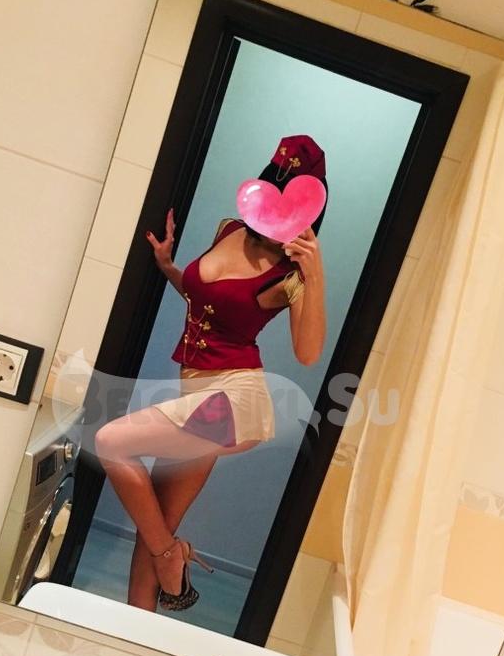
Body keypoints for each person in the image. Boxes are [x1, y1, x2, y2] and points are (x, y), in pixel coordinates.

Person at [94, 135, 328, 614]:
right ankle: (132, 630)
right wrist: (168, 267)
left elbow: (307, 353)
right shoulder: (230, 230)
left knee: (111, 442)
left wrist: (315, 272)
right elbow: (208, 299)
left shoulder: (290, 274)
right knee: (153, 523)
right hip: (195, 390)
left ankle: (170, 555)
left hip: (234, 397)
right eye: (275, 186)